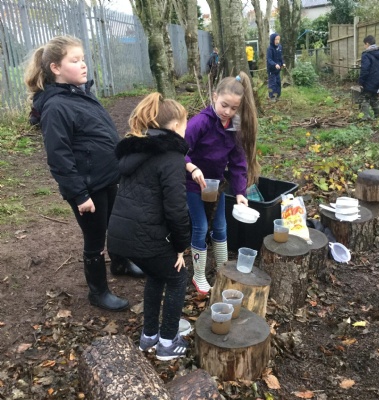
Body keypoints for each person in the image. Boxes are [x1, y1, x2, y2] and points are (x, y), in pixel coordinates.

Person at [24, 35, 144, 313]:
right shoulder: (56, 106)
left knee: (116, 224)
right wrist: (79, 194)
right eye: (75, 60)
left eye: (83, 59)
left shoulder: (80, 93)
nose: (83, 65)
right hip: (87, 187)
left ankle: (120, 263)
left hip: (107, 176)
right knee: (94, 238)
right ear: (56, 68)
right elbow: (59, 157)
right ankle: (98, 292)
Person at [107, 93, 191, 360]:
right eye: (186, 123)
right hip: (145, 237)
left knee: (156, 274)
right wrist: (181, 246)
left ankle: (149, 336)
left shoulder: (136, 150)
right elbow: (176, 209)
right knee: (178, 277)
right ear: (176, 125)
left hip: (120, 236)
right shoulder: (171, 156)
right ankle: (167, 342)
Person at [185, 71, 260, 294]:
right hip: (192, 184)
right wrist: (192, 168)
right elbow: (179, 150)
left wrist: (240, 193)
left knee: (220, 226)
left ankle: (222, 268)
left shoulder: (234, 127)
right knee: (201, 226)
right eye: (224, 105)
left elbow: (238, 162)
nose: (227, 112)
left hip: (216, 185)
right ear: (215, 97)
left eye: (234, 108)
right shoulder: (200, 123)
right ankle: (199, 275)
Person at [358, 35, 379, 120]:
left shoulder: (366, 54)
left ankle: (365, 118)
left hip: (369, 81)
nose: (364, 46)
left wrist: (361, 82)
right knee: (375, 98)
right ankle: (378, 118)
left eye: (364, 44)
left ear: (367, 43)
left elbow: (365, 70)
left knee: (364, 98)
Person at [266, 33, 286, 100]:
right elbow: (269, 59)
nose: (277, 41)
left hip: (278, 70)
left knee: (278, 83)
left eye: (278, 39)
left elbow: (281, 57)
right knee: (272, 83)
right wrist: (275, 64)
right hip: (271, 70)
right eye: (276, 39)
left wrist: (283, 63)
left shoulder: (280, 47)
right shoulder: (270, 48)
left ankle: (277, 96)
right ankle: (272, 97)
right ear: (272, 40)